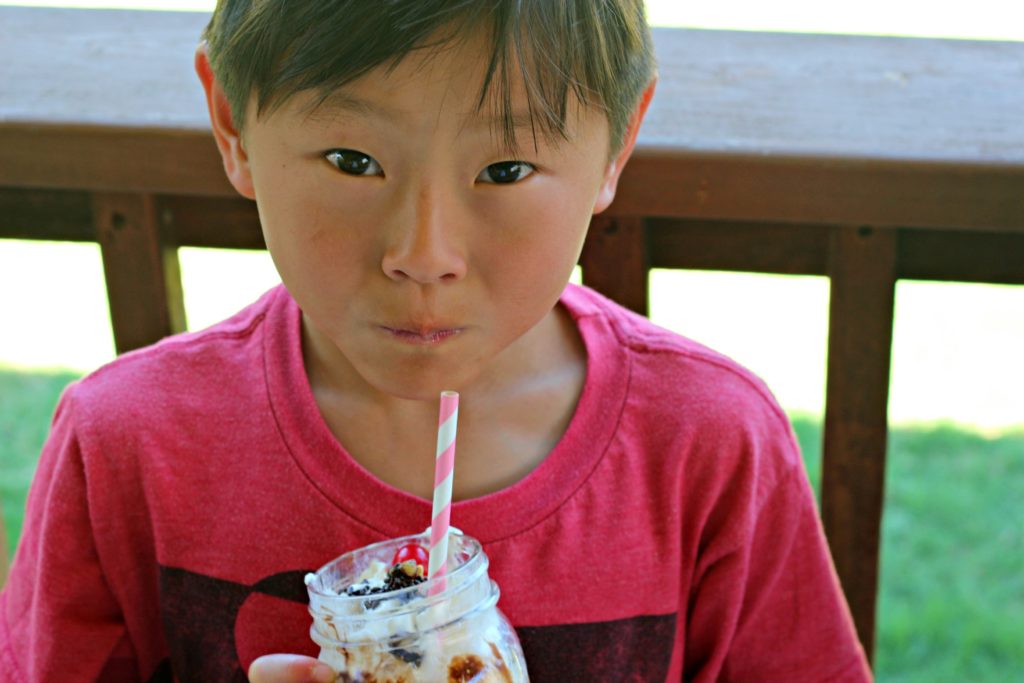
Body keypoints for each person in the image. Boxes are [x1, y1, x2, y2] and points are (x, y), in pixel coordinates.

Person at [0, 1, 872, 681]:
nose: (423, 255)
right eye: (352, 160)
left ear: (617, 146)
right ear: (232, 124)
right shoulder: (126, 445)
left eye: (504, 170)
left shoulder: (708, 447)